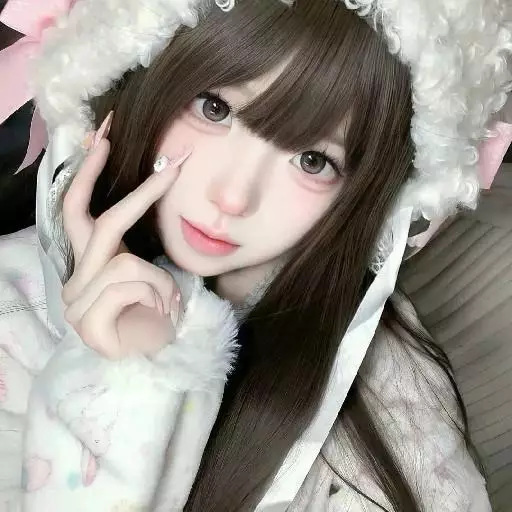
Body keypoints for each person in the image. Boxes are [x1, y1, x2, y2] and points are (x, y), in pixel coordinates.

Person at [0, 0, 510, 510]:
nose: (234, 197)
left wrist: (147, 357)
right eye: (214, 109)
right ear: (138, 66)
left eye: (313, 160)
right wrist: (122, 376)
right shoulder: (13, 308)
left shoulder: (393, 394)